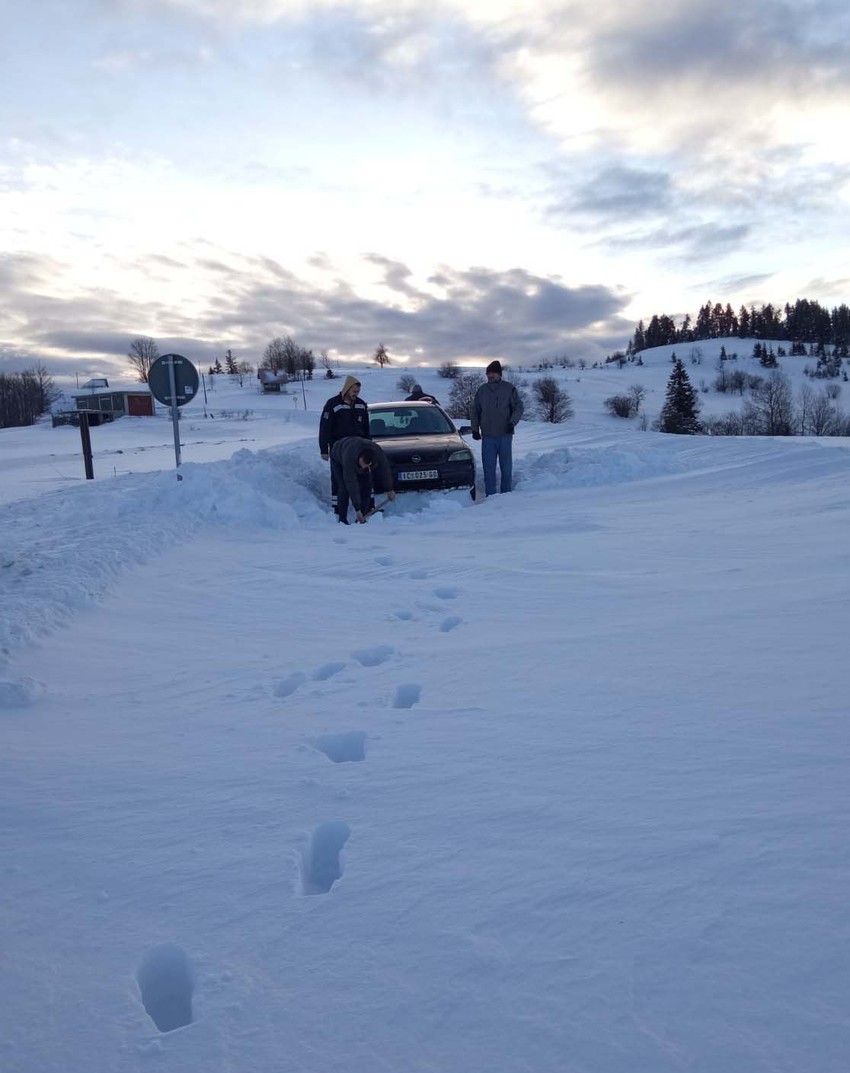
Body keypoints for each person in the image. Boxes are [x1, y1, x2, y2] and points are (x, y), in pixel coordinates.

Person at [319, 375, 371, 516]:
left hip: (358, 450)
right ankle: (338, 510)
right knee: (340, 481)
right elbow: (324, 428)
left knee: (362, 479)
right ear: (347, 389)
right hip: (339, 450)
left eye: (358, 392)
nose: (356, 394)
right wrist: (324, 449)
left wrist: (368, 446)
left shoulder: (361, 405)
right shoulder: (333, 404)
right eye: (354, 391)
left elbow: (366, 428)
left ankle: (365, 508)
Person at [471, 360, 524, 496]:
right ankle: (491, 496)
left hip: (505, 434)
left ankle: (506, 494)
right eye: (488, 374)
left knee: (506, 467)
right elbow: (475, 411)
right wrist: (475, 429)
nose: (490, 376)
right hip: (488, 435)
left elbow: (519, 407)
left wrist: (512, 423)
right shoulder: (482, 390)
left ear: (500, 374)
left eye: (493, 373)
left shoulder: (509, 388)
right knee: (488, 468)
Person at [329, 436, 396, 523]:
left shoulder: (378, 453)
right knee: (344, 487)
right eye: (363, 464)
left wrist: (390, 489)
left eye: (367, 465)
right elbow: (351, 483)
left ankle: (362, 516)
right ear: (360, 458)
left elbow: (385, 471)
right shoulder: (349, 456)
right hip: (338, 456)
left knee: (367, 485)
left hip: (357, 451)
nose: (364, 467)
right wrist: (357, 509)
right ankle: (342, 519)